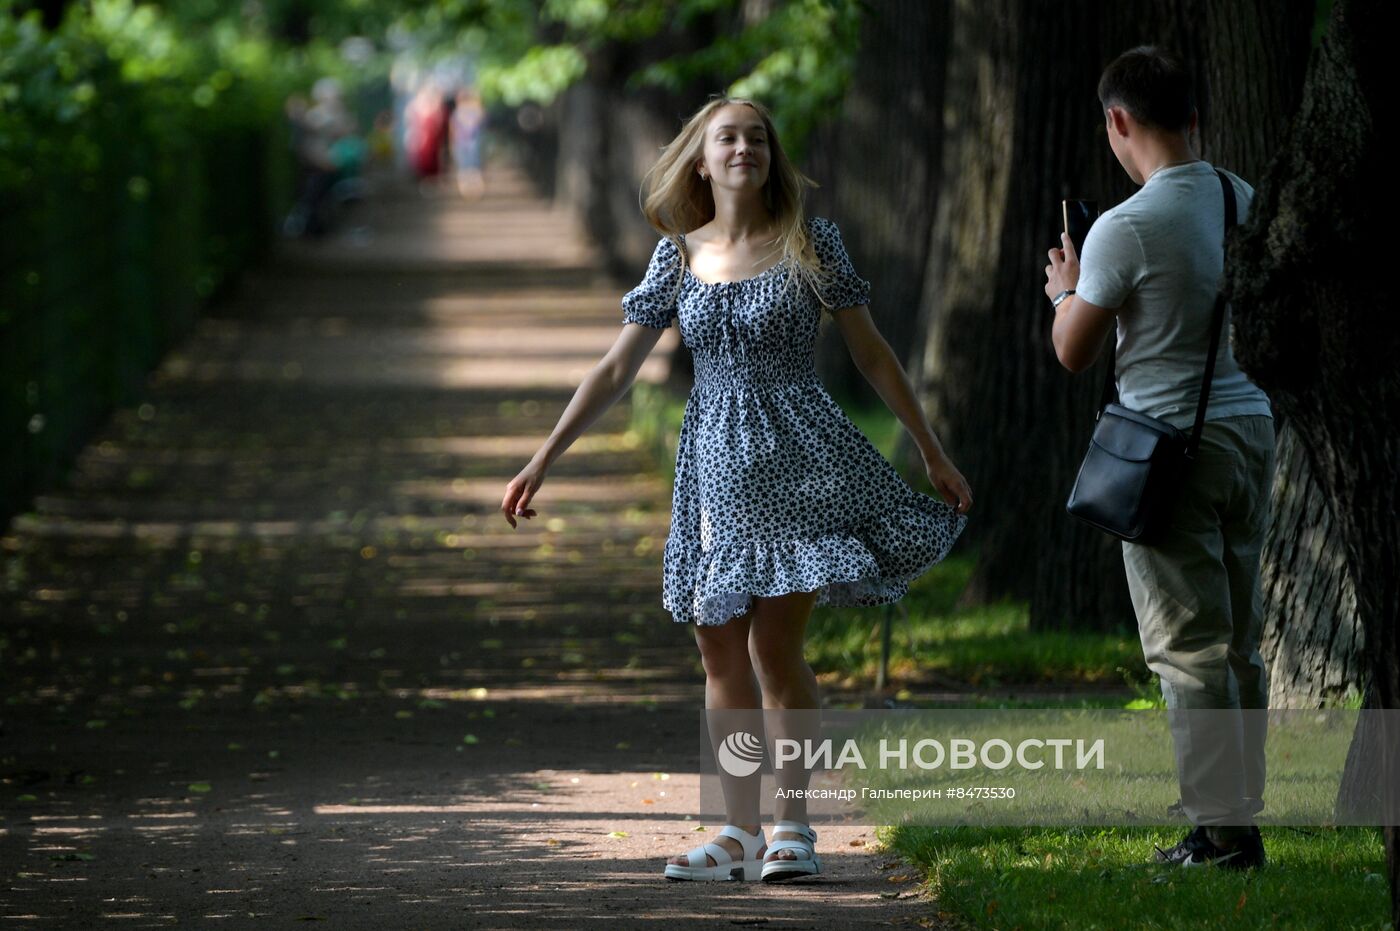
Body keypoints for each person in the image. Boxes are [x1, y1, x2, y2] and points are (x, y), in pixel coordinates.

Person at [501, 95, 971, 883]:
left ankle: (793, 827)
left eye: (757, 137)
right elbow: (617, 367)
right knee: (719, 650)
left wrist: (930, 450)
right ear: (701, 159)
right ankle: (736, 829)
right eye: (728, 138)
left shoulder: (812, 244)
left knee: (774, 650)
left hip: (800, 460)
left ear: (770, 158)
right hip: (714, 473)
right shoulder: (676, 254)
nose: (744, 148)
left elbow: (874, 355)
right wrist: (544, 456)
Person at [1043, 46, 1275, 869]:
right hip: (1252, 430)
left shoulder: (1125, 225)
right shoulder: (1240, 196)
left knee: (1189, 647)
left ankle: (1220, 835)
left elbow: (1073, 351)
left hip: (1171, 443)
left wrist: (1066, 288)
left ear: (1118, 122)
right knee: (1240, 638)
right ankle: (1238, 816)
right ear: (1195, 116)